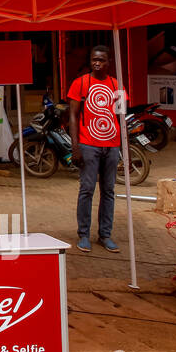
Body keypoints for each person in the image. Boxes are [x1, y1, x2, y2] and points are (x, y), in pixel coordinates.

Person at [66, 45, 125, 254]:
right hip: (88, 144)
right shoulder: (80, 83)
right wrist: (75, 147)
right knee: (87, 189)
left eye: (101, 60)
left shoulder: (117, 86)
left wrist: (123, 147)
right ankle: (83, 234)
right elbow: (72, 115)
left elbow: (121, 117)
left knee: (109, 191)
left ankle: (105, 234)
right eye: (93, 59)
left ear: (108, 62)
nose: (97, 63)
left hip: (112, 145)